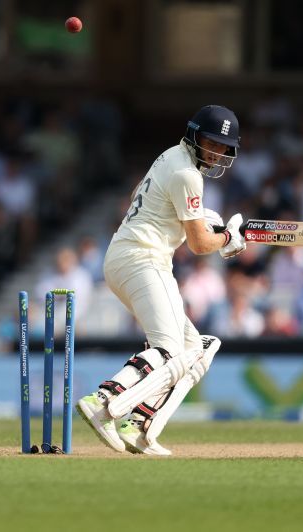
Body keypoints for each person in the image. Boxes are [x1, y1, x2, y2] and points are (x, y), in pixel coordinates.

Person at [77, 105, 246, 455]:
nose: (215, 153)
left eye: (222, 147)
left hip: (130, 258)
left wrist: (199, 217)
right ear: (194, 135)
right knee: (168, 350)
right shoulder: (187, 173)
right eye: (211, 143)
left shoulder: (169, 156)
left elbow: (164, 208)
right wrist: (229, 238)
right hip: (143, 259)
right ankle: (103, 399)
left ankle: (140, 425)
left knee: (197, 350)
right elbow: (200, 244)